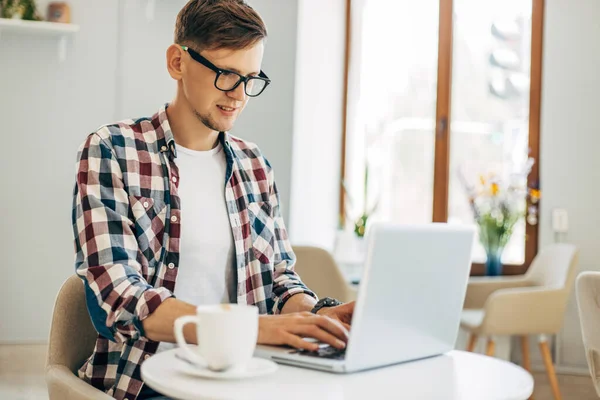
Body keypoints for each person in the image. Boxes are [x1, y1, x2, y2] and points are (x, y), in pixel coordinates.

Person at [71, 1, 354, 399]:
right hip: (147, 382)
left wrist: (320, 314)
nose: (239, 95)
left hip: (247, 378)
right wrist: (252, 327)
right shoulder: (113, 150)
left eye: (251, 78)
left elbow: (278, 281)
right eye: (226, 75)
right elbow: (118, 298)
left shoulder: (255, 165)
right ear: (177, 62)